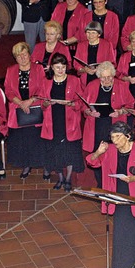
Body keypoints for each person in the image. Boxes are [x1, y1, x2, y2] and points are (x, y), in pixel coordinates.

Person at [86, 122, 135, 268]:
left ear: (128, 136)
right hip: (119, 198)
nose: (115, 141)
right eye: (113, 137)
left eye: (118, 137)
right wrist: (98, 152)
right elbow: (91, 162)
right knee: (122, 237)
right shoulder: (110, 150)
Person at [82, 62, 134, 187]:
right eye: (103, 77)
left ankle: (114, 186)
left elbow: (131, 106)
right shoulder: (92, 85)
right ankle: (101, 185)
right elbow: (84, 106)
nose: (107, 80)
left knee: (115, 158)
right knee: (97, 155)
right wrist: (89, 112)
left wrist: (120, 111)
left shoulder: (122, 85)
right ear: (99, 76)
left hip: (115, 128)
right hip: (96, 127)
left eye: (110, 77)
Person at [39, 53, 85, 192]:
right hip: (52, 121)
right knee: (55, 152)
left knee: (69, 151)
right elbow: (42, 102)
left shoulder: (74, 81)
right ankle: (60, 177)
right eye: (57, 67)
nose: (60, 70)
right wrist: (46, 103)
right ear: (52, 67)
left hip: (70, 121)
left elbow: (81, 102)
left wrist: (72, 105)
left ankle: (68, 178)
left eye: (63, 67)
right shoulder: (46, 82)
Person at [5, 42, 46, 179]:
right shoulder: (11, 70)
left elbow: (43, 89)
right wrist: (20, 103)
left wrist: (30, 101)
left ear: (29, 54)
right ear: (15, 58)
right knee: (23, 140)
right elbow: (8, 91)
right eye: (18, 55)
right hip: (18, 108)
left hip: (35, 106)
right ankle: (26, 165)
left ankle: (44, 165)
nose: (22, 58)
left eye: (24, 54)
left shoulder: (38, 68)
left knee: (37, 139)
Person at [73, 21, 116, 86]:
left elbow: (112, 62)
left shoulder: (107, 44)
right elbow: (76, 64)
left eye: (93, 33)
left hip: (102, 77)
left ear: (99, 34)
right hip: (85, 77)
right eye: (88, 33)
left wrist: (99, 69)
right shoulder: (81, 45)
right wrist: (84, 69)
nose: (90, 35)